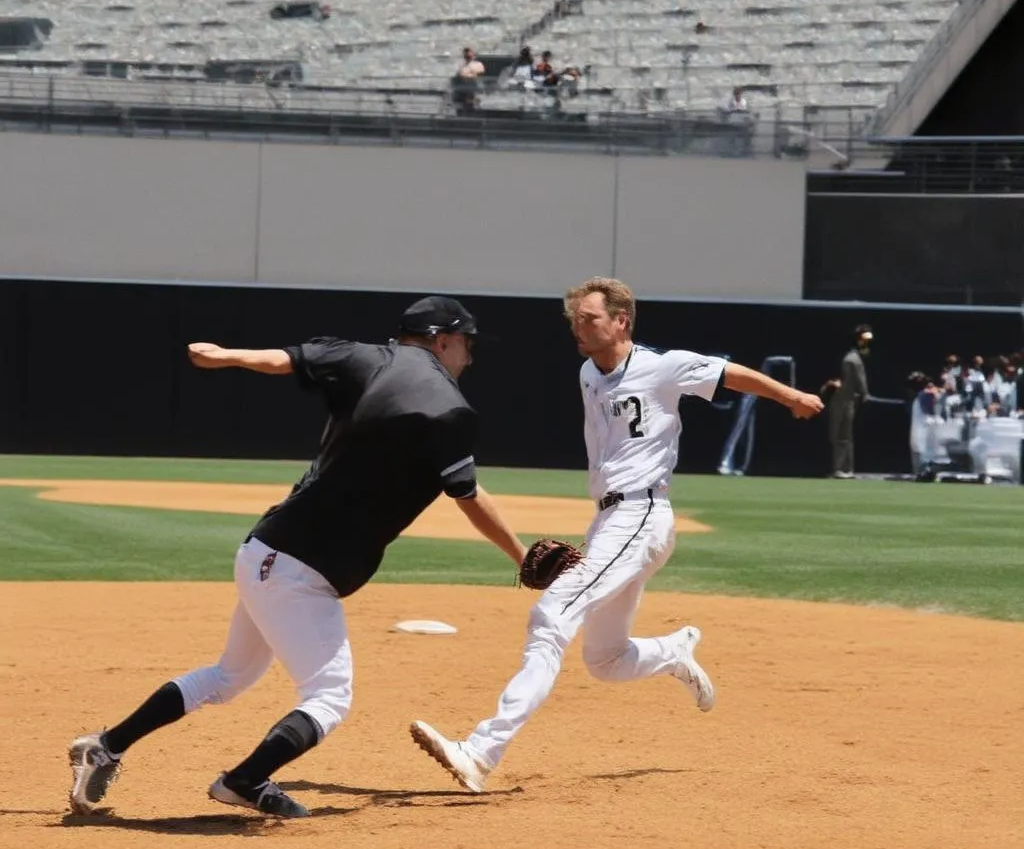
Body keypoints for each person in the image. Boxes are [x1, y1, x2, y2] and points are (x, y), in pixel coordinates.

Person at [68, 296, 526, 819]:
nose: (469, 355)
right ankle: (244, 780)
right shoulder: (449, 406)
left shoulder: (361, 357)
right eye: (466, 343)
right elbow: (465, 492)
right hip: (299, 570)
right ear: (442, 339)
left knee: (227, 677)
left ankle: (104, 746)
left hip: (265, 549)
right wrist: (520, 554)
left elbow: (283, 358)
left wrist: (225, 355)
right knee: (330, 697)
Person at [408, 277, 823, 792]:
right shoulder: (588, 372)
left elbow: (729, 374)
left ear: (621, 321)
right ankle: (673, 653)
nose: (578, 327)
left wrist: (792, 396)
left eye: (590, 318)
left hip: (641, 515)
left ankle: (481, 751)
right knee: (606, 660)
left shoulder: (662, 366)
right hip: (608, 521)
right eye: (575, 319)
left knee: (551, 615)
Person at [828, 324, 872, 478]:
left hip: (848, 400)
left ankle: (845, 469)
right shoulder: (851, 359)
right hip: (843, 400)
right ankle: (841, 469)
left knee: (845, 435)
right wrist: (864, 393)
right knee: (840, 434)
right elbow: (858, 380)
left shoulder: (855, 358)